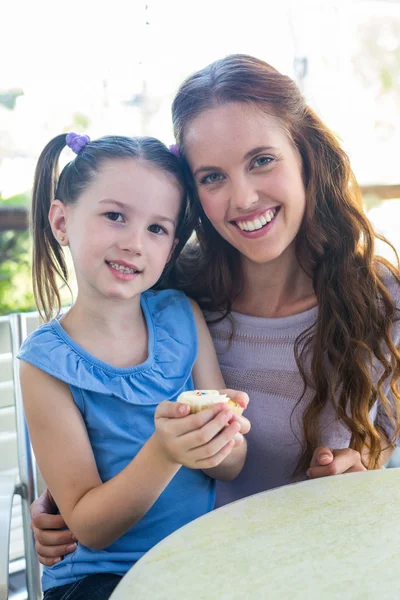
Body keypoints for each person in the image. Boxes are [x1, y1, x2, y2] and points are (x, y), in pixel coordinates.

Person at [31, 54, 400, 564]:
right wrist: (59, 503)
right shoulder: (172, 292)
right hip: (197, 569)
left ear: (305, 155)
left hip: (321, 564)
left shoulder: (382, 299)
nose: (243, 197)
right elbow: (103, 413)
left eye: (261, 160)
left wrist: (361, 466)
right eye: (212, 177)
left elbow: (383, 439)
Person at [18, 132, 250, 599]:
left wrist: (220, 435)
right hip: (98, 579)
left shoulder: (181, 316)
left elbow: (231, 467)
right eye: (115, 216)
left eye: (157, 228)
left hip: (197, 558)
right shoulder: (45, 364)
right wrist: (165, 453)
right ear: (62, 221)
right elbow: (88, 526)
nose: (134, 243)